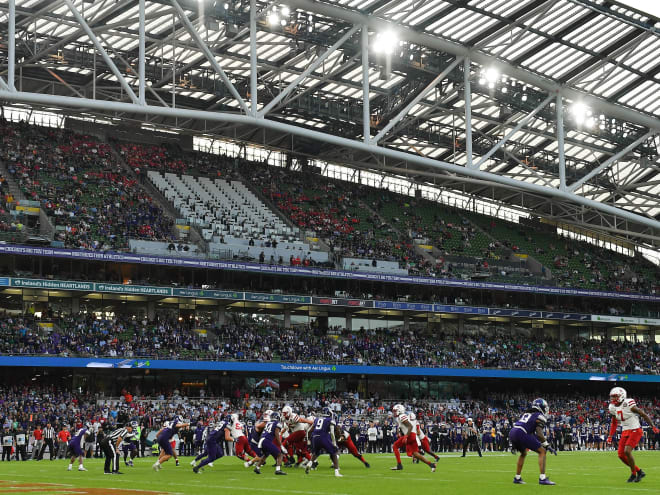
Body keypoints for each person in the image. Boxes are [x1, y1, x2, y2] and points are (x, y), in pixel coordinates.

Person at [607, 386, 659, 483]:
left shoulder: (628, 403)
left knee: (627, 451)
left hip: (635, 429)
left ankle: (633, 474)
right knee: (621, 455)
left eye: (615, 396)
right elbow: (614, 422)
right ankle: (639, 471)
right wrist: (610, 436)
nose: (613, 399)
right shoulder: (612, 407)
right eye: (612, 397)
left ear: (621, 396)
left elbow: (643, 414)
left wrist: (652, 426)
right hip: (625, 430)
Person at [508, 398, 557, 485]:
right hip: (521, 432)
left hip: (513, 431)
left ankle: (517, 478)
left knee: (523, 453)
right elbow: (539, 433)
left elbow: (532, 433)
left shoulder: (527, 413)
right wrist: (547, 445)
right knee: (542, 451)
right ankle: (543, 478)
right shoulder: (540, 416)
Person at [390, 404, 436, 472]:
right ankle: (431, 465)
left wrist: (406, 436)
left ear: (399, 410)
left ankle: (399, 465)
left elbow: (410, 426)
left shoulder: (402, 416)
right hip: (412, 435)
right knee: (415, 454)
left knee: (395, 446)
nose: (394, 412)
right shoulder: (402, 416)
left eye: (395, 411)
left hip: (410, 435)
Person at [306, 408, 341, 477]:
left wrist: (308, 440)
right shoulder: (330, 420)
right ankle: (336, 472)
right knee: (334, 453)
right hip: (323, 437)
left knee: (315, 453)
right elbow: (332, 433)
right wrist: (334, 443)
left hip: (315, 437)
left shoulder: (317, 419)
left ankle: (309, 464)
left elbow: (309, 431)